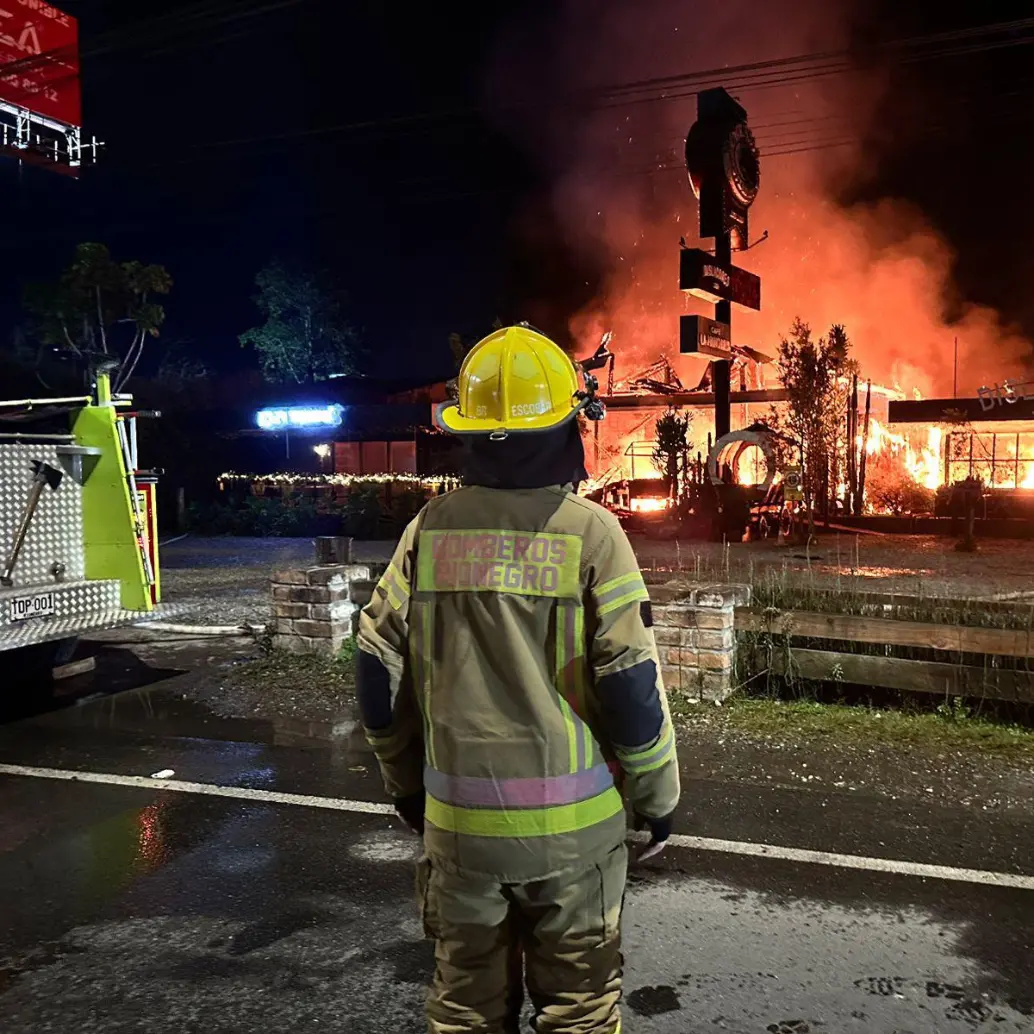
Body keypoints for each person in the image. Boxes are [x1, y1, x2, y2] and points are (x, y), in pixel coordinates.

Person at [356, 324, 680, 1034]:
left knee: (466, 1009)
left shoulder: (429, 530)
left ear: (469, 433)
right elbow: (631, 684)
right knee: (579, 1012)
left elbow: (376, 671)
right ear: (567, 427)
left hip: (459, 837)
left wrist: (406, 785)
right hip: (575, 845)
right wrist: (658, 798)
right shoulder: (592, 533)